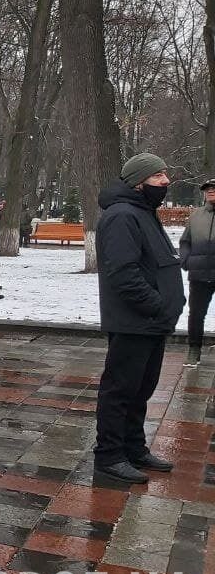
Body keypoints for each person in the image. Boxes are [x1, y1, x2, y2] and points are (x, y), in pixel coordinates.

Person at [93, 153, 185, 484]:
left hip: (151, 323)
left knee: (141, 389)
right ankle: (109, 456)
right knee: (120, 391)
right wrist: (159, 305)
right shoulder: (122, 216)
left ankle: (133, 448)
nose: (165, 181)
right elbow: (124, 274)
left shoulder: (143, 212)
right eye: (158, 176)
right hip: (134, 321)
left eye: (166, 174)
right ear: (138, 181)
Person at [180, 179, 215, 366]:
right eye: (207, 189)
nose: (210, 191)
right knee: (196, 314)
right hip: (199, 274)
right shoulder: (196, 216)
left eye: (213, 188)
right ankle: (194, 350)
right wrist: (186, 260)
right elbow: (185, 241)